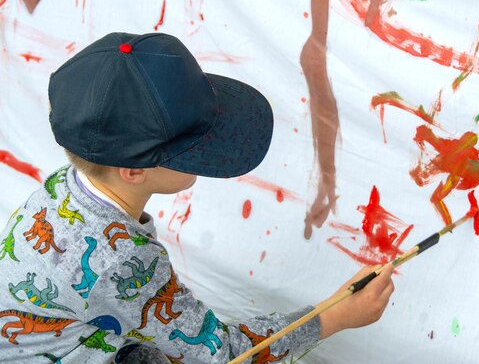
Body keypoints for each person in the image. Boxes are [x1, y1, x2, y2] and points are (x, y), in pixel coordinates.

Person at [0, 32, 394, 364]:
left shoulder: (60, 187)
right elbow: (221, 355)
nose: (207, 151)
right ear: (134, 171)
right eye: (194, 146)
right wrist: (333, 316)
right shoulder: (121, 261)